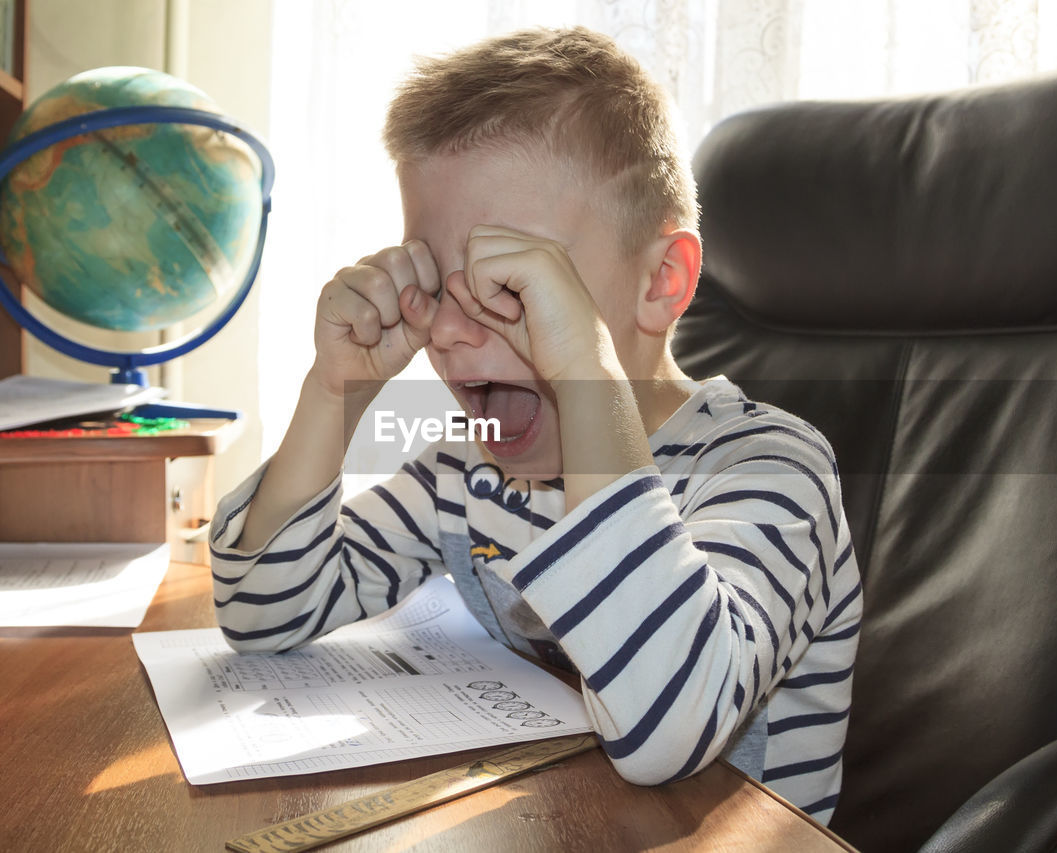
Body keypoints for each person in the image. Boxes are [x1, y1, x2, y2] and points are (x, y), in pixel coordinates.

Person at [209, 26, 861, 825]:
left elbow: (669, 728)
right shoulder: (467, 474)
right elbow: (264, 614)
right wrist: (332, 389)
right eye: (436, 282)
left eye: (514, 283)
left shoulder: (770, 470)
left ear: (662, 282)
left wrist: (583, 372)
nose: (447, 332)